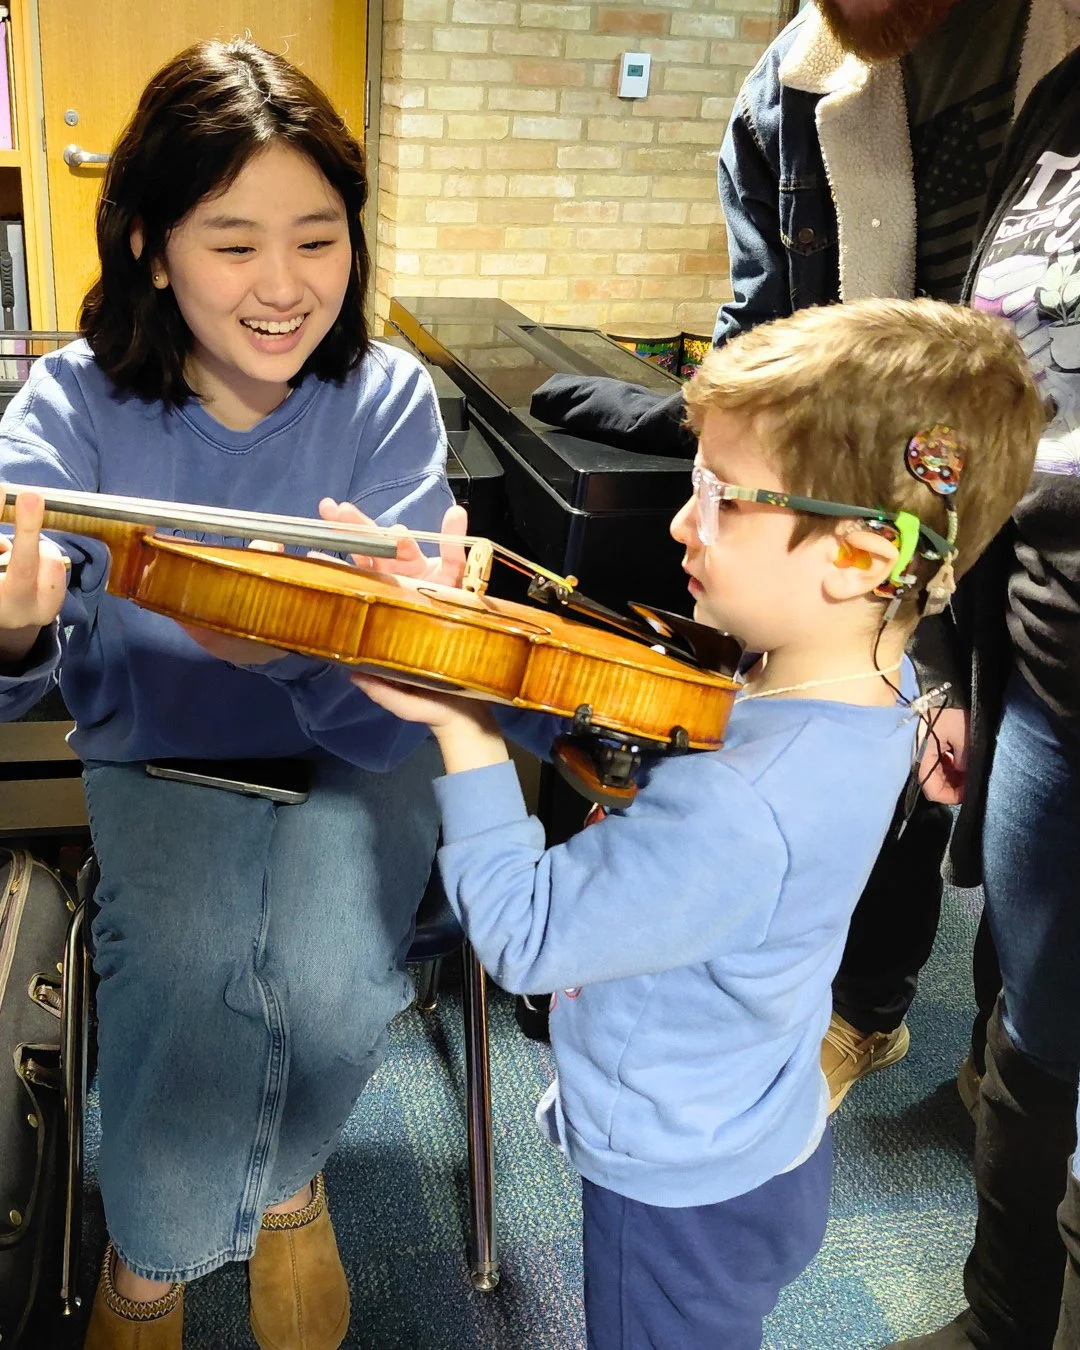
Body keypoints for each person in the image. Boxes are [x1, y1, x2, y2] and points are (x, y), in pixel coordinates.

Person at [349, 298, 1042, 1350]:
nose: (681, 520)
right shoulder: (874, 684)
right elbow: (637, 729)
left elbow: (528, 938)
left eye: (718, 498)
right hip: (766, 1131)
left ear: (858, 558)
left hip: (676, 1192)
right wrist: (481, 645)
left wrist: (464, 728)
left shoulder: (738, 803)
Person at [531, 0, 1078, 1112]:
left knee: (1013, 859)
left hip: (1032, 534)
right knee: (897, 764)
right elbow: (755, 348)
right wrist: (724, 504)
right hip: (875, 520)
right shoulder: (792, 87)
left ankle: (977, 1051)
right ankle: (863, 1009)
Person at [0, 39, 463, 1350]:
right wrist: (13, 633)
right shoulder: (69, 404)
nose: (282, 286)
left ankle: (287, 1183)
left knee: (325, 985)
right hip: (158, 752)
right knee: (192, 972)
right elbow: (20, 660)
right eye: (232, 241)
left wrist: (308, 645)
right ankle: (151, 1262)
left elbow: (402, 703)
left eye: (317, 240)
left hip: (354, 753)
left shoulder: (384, 402)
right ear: (149, 244)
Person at [885, 38, 1080, 1350]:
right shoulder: (1060, 113)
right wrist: (945, 655)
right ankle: (1002, 1318)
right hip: (1048, 685)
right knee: (1035, 1028)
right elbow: (966, 395)